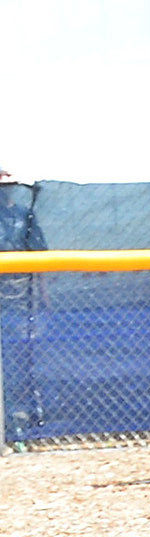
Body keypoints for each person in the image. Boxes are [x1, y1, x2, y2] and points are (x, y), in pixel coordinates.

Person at [0, 168, 42, 447]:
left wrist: (40, 299)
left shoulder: (25, 216)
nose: (5, 191)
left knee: (20, 364)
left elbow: (39, 258)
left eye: (9, 186)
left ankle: (21, 428)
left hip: (19, 301)